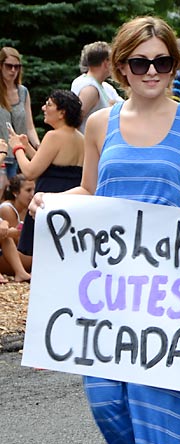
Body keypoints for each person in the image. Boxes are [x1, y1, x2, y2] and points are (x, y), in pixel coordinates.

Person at [29, 16, 180, 444]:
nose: (153, 71)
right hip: (108, 291)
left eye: (163, 61)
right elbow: (91, 191)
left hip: (169, 291)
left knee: (156, 405)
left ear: (173, 65)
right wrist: (57, 204)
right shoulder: (99, 124)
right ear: (122, 67)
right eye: (141, 62)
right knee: (105, 399)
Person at [8, 90, 84, 257]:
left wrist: (17, 148)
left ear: (62, 113)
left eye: (49, 104)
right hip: (72, 201)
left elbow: (29, 172)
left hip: (48, 200)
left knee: (45, 256)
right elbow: (49, 165)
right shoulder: (80, 138)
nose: (43, 108)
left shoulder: (54, 136)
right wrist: (27, 146)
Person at [0, 47, 40, 179]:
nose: (13, 70)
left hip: (20, 156)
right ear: (1, 66)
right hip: (2, 157)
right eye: (9, 66)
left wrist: (38, 146)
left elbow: (29, 127)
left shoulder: (23, 92)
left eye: (17, 67)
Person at [71, 41, 113, 133]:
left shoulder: (102, 85)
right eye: (112, 60)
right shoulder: (90, 89)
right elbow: (72, 123)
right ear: (106, 63)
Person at [0, 174, 33, 282]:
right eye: (28, 190)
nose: (33, 194)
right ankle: (21, 271)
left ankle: (21, 273)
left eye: (34, 190)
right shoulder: (7, 209)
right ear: (15, 193)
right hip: (7, 252)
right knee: (41, 259)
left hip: (11, 251)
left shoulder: (27, 209)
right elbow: (18, 242)